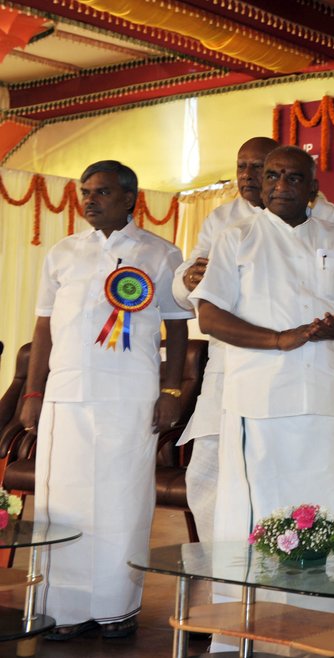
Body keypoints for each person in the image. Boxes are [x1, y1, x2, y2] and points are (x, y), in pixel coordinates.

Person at [190, 146, 334, 649]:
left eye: (293, 177)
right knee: (255, 515)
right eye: (272, 175)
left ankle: (321, 628)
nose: (279, 185)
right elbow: (209, 316)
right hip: (260, 400)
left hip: (324, 397)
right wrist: (278, 339)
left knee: (326, 507)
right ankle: (242, 635)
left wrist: (333, 328)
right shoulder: (236, 237)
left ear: (312, 188)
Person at [20, 160, 191, 640]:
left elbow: (177, 329)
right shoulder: (62, 253)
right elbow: (43, 327)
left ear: (129, 198)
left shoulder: (160, 253)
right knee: (63, 504)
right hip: (66, 394)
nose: (90, 200)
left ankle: (117, 607)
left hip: (130, 395)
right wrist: (33, 391)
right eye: (85, 192)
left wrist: (172, 391)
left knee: (122, 501)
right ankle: (64, 609)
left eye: (102, 192)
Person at [172, 136, 334, 546]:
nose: (248, 176)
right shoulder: (222, 219)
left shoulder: (324, 215)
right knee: (209, 475)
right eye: (242, 166)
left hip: (301, 370)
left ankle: (285, 561)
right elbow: (187, 285)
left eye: (259, 167)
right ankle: (224, 566)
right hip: (229, 365)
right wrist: (188, 279)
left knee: (286, 474)